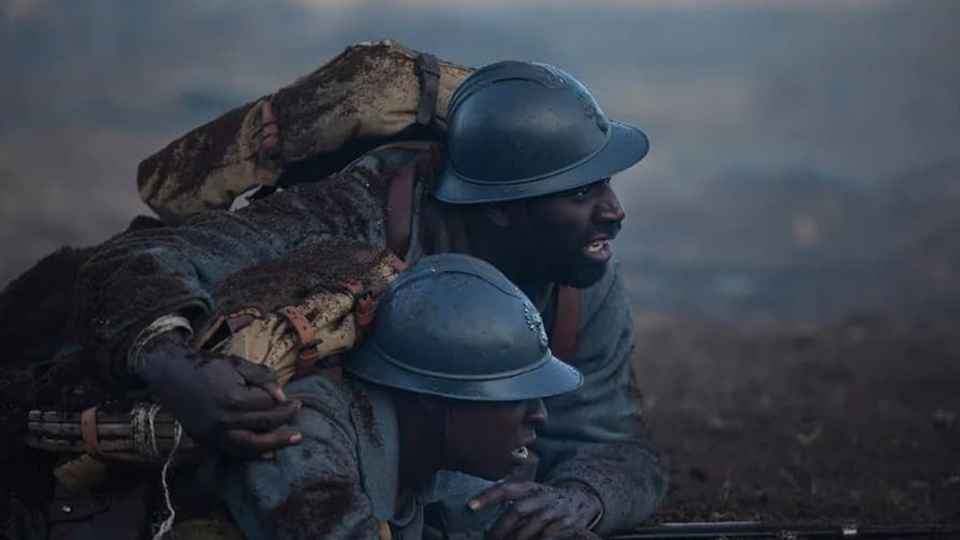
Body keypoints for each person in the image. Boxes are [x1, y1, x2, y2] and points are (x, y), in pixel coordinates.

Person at [70, 60, 667, 537]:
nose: (614, 212)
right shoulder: (352, 218)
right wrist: (178, 368)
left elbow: (614, 444)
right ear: (503, 208)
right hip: (284, 470)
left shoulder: (578, 275)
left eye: (606, 183)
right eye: (579, 192)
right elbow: (134, 262)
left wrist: (580, 498)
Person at [213, 253, 584, 540]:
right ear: (431, 397)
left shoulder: (436, 447)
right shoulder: (305, 438)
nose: (539, 414)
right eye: (515, 395)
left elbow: (486, 515)